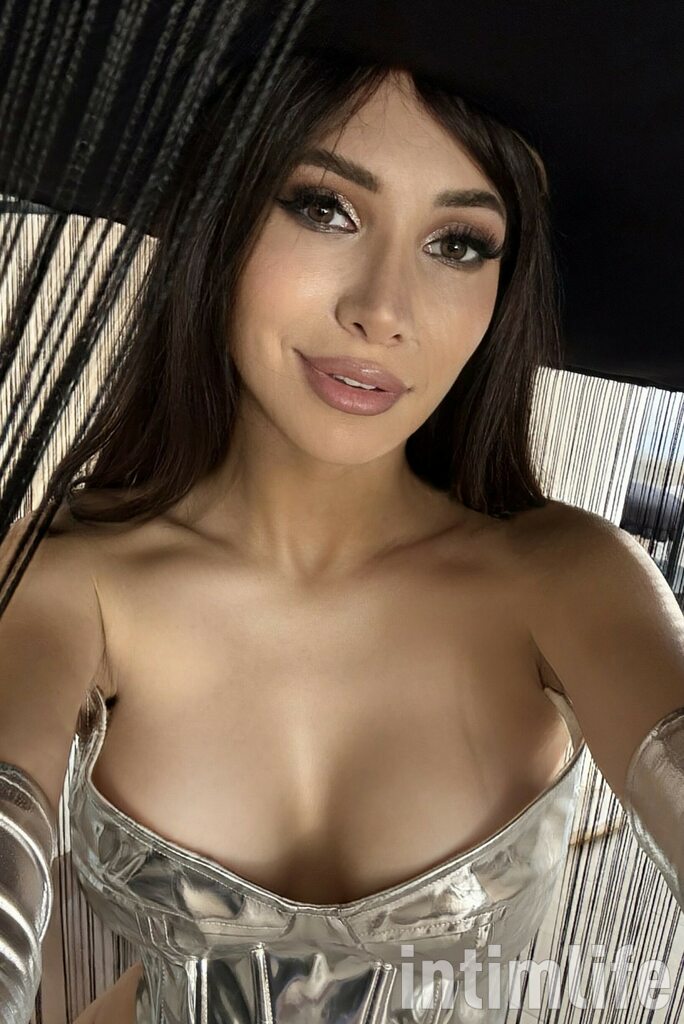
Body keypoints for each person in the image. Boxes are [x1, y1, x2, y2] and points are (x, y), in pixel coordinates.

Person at [1, 55, 682, 1024]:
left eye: (457, 243)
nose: (383, 311)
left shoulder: (569, 581)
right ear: (221, 217)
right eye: (325, 209)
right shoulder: (73, 578)